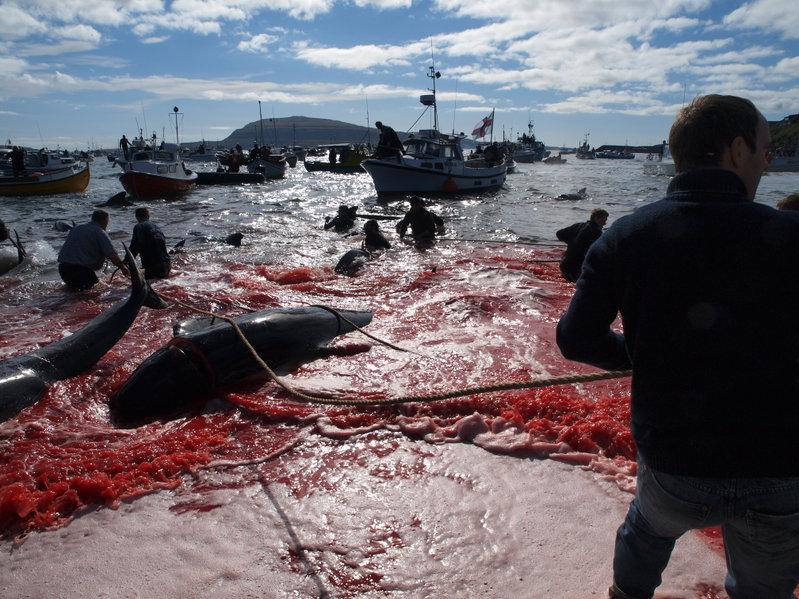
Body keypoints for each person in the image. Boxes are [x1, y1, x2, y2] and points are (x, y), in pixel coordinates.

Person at [556, 95, 799, 598]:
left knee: (645, 531)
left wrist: (637, 353)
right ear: (736, 150)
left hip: (673, 460)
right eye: (765, 150)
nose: (768, 161)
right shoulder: (790, 235)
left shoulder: (624, 236)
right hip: (777, 464)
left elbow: (574, 338)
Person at [57, 209, 129, 290]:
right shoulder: (99, 232)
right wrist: (123, 268)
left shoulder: (77, 228)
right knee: (95, 292)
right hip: (79, 271)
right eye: (107, 221)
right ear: (104, 220)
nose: (107, 224)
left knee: (74, 292)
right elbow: (112, 255)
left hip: (63, 269)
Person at [555, 208, 608, 282]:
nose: (605, 223)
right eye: (604, 220)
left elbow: (559, 234)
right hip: (576, 271)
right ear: (596, 218)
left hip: (564, 266)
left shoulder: (578, 225)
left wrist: (571, 242)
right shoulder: (597, 233)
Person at [129, 207, 171, 279]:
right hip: (167, 264)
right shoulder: (157, 227)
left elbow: (134, 246)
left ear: (136, 217)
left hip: (153, 267)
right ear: (148, 216)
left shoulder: (139, 226)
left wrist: (127, 261)